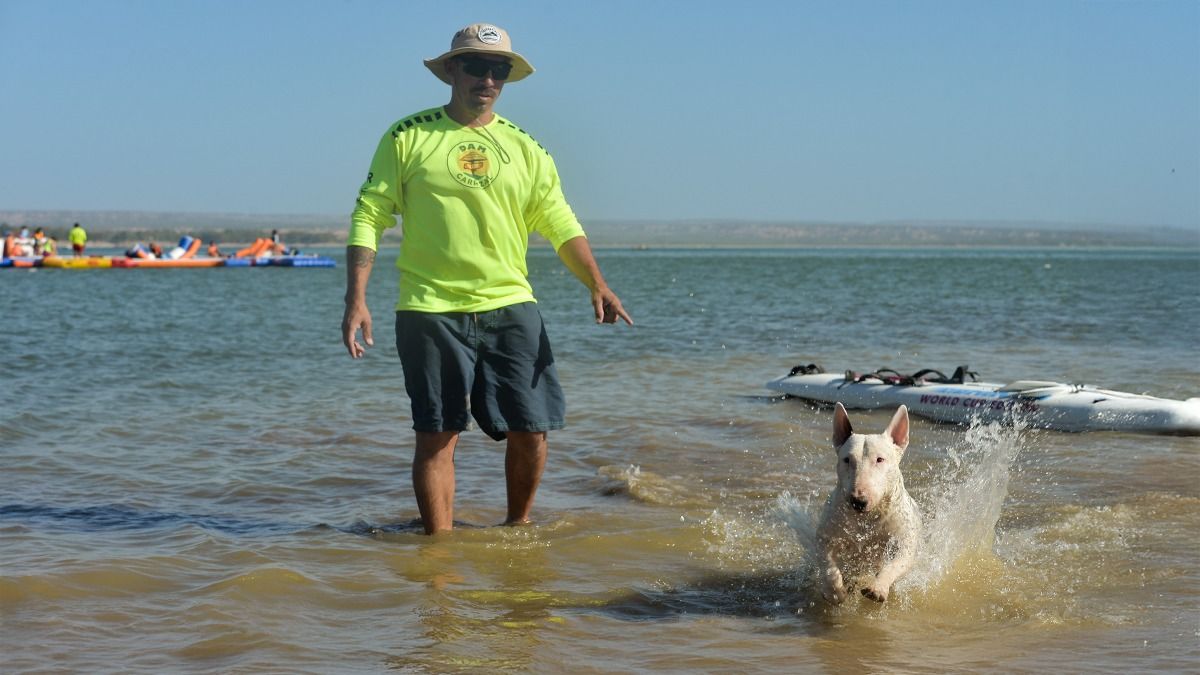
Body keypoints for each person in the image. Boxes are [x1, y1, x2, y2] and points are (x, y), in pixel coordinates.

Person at [342, 22, 632, 535]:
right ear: (451, 69)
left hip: (511, 302)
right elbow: (370, 213)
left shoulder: (526, 148)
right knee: (438, 434)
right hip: (430, 309)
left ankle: (517, 531)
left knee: (533, 428)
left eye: (498, 69)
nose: (488, 79)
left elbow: (560, 223)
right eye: (476, 66)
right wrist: (356, 298)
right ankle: (439, 557)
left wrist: (597, 283)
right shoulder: (407, 136)